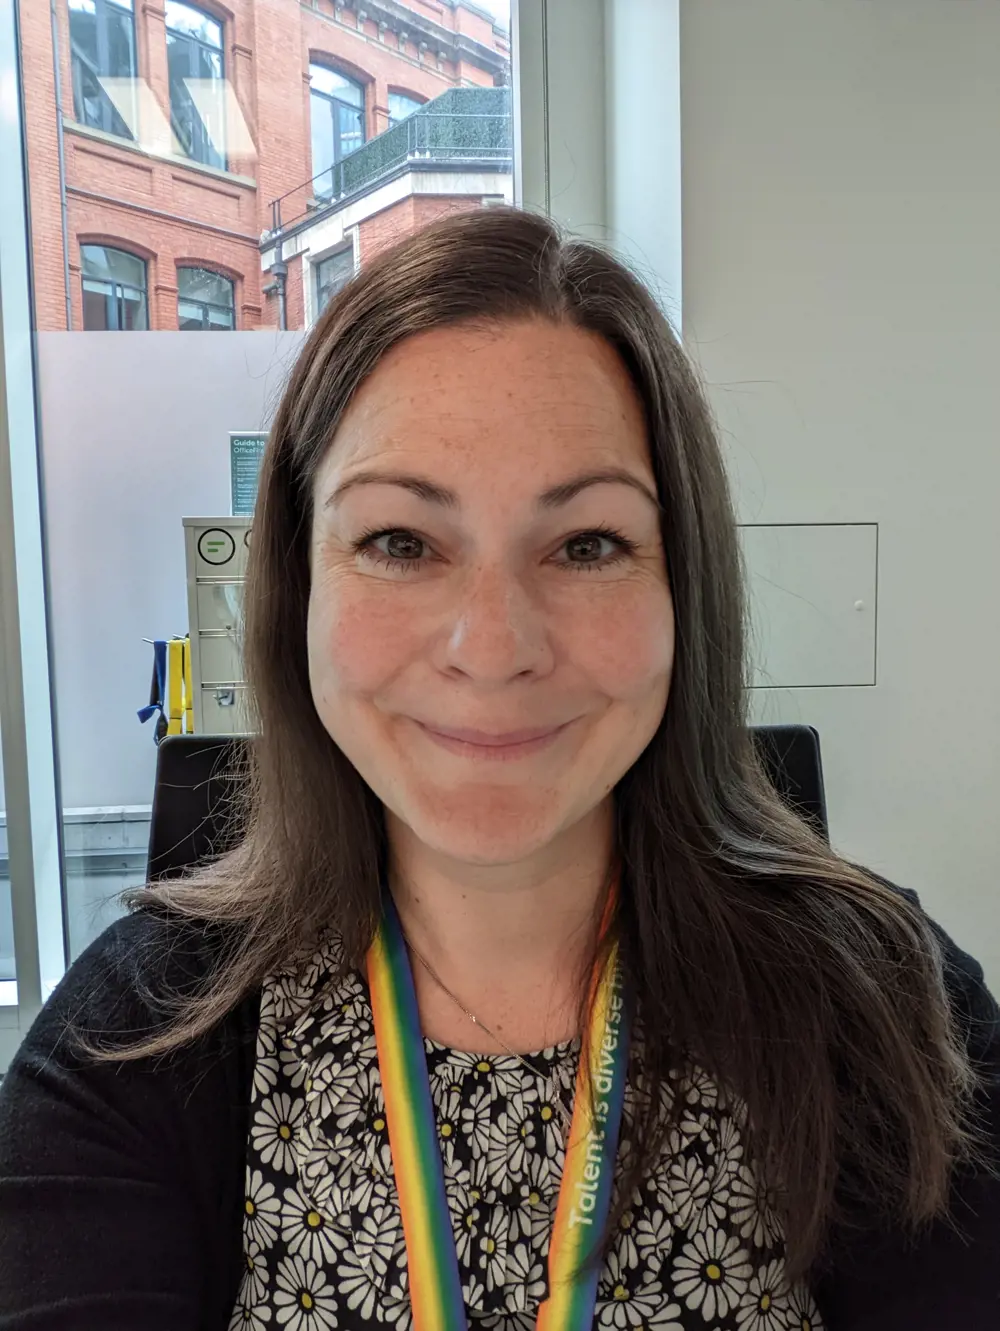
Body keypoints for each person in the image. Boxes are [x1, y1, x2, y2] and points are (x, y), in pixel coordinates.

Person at [0, 207, 997, 1331]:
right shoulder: (132, 1041)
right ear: (300, 586)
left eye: (586, 544)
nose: (492, 646)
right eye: (399, 542)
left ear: (685, 593)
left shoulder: (885, 1009)